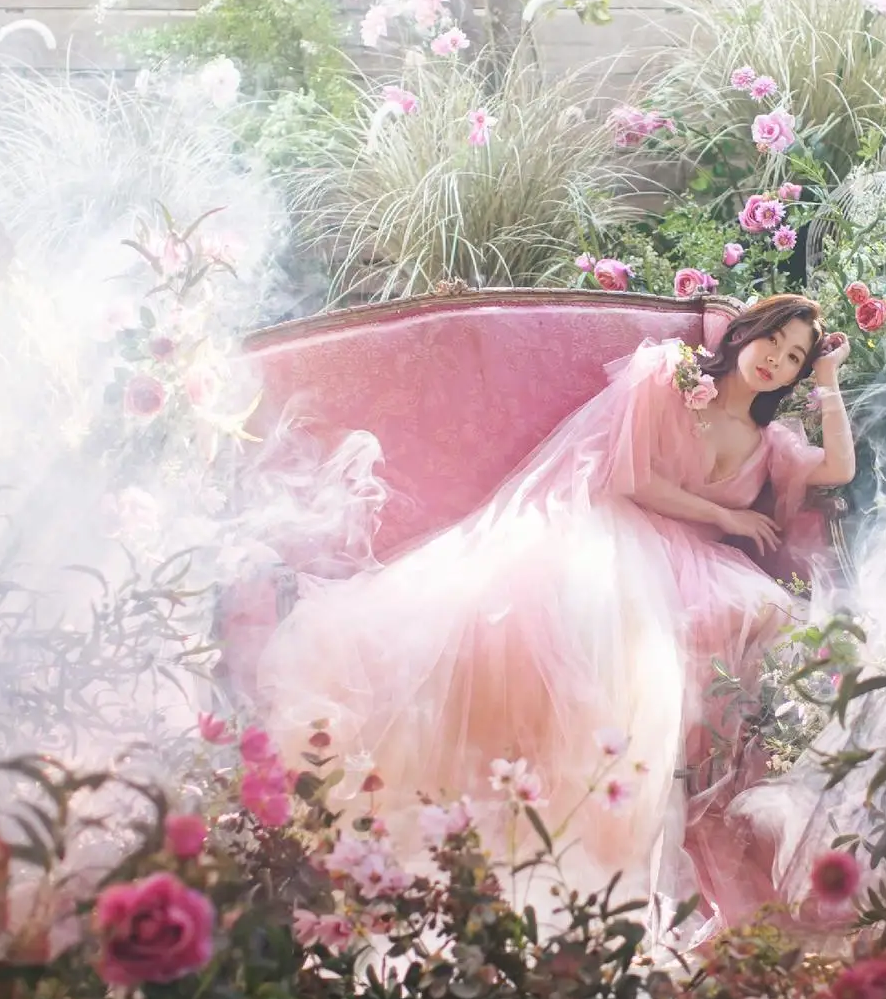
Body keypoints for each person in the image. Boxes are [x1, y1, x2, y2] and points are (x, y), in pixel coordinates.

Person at [256, 294, 855, 927]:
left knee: (781, 625)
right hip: (622, 528)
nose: (777, 361)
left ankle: (760, 824)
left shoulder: (771, 442)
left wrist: (829, 377)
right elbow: (629, 477)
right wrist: (724, 514)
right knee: (616, 640)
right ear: (743, 335)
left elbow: (838, 469)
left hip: (699, 562)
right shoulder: (673, 377)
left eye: (793, 359)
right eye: (774, 342)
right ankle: (580, 838)